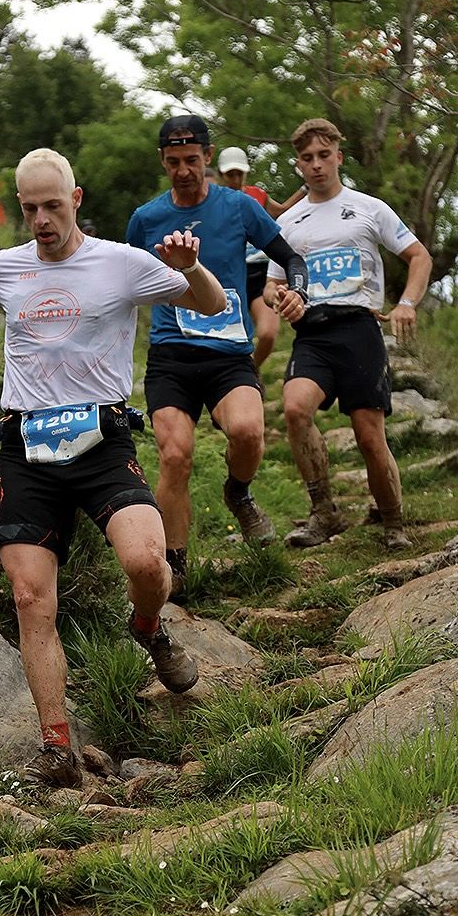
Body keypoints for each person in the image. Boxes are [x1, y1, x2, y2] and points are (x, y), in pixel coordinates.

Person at [0, 148, 226, 788]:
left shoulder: (120, 263)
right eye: (30, 207)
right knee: (31, 597)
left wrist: (192, 268)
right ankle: (58, 750)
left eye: (53, 206)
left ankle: (148, 628)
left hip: (101, 441)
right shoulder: (4, 268)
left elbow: (211, 303)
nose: (41, 219)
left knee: (148, 563)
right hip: (27, 447)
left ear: (77, 200)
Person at [126, 115, 309, 598]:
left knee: (249, 431)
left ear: (208, 157)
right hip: (171, 354)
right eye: (173, 162)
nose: (183, 171)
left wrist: (298, 292)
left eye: (191, 160)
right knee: (175, 456)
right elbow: (122, 284)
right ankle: (177, 566)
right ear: (162, 162)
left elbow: (291, 258)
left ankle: (239, 492)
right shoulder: (145, 220)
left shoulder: (238, 208)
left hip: (230, 353)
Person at [265, 118, 433, 550]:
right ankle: (324, 512)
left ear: (339, 157)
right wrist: (278, 298)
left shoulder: (369, 208)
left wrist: (407, 304)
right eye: (307, 158)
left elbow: (418, 256)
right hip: (313, 332)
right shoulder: (288, 222)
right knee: (296, 409)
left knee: (368, 433)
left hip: (360, 328)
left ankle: (393, 521)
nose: (317, 165)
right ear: (298, 164)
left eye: (324, 155)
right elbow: (271, 282)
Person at [217, 146, 308, 367]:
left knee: (267, 334)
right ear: (221, 174)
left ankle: (252, 370)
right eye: (231, 174)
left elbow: (282, 211)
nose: (236, 179)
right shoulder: (212, 202)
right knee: (231, 340)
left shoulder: (257, 195)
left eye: (240, 173)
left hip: (260, 272)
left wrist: (306, 186)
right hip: (228, 276)